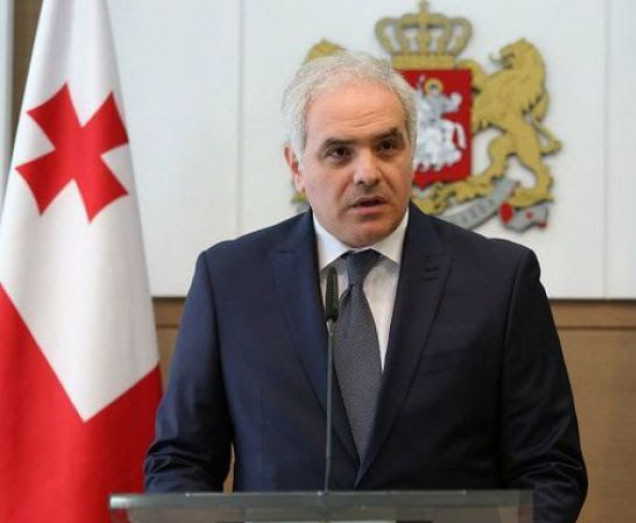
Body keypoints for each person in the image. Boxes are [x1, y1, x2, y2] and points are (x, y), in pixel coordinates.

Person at [144, 51, 587, 523]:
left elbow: (549, 470)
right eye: (339, 152)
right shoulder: (231, 280)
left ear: (412, 150)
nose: (368, 172)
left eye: (387, 146)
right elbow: (182, 462)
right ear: (296, 165)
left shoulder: (499, 279)